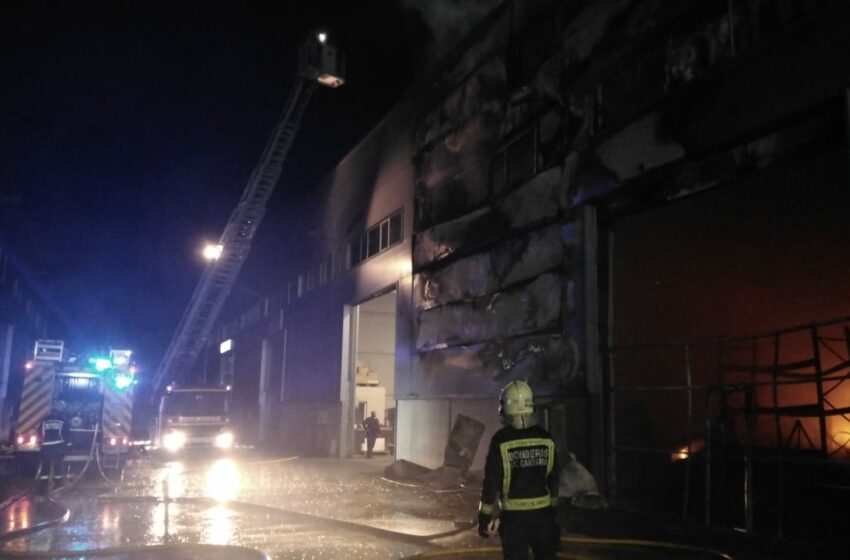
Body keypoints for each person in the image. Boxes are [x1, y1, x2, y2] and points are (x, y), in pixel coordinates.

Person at [478, 380, 560, 559]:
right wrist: (552, 513)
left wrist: (484, 515)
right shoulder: (545, 438)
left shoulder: (501, 440)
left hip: (514, 520)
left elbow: (491, 481)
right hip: (543, 518)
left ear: (505, 409)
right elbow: (553, 478)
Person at [39, 406, 69, 493]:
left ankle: (43, 484)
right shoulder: (63, 420)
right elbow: (66, 433)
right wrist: (67, 445)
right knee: (58, 466)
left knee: (45, 465)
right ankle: (58, 484)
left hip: (46, 446)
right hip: (58, 447)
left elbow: (39, 432)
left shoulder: (44, 420)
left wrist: (41, 442)